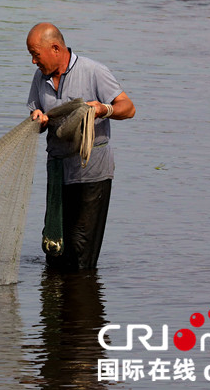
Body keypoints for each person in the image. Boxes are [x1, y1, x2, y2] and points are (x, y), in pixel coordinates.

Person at [26, 22, 135, 270]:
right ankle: (60, 303)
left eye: (35, 54)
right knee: (56, 248)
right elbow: (36, 112)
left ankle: (81, 300)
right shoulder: (40, 77)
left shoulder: (93, 71)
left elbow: (129, 108)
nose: (34, 62)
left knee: (81, 252)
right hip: (58, 172)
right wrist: (39, 119)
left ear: (55, 48)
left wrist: (103, 109)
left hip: (91, 174)